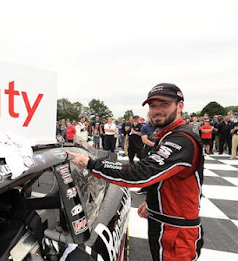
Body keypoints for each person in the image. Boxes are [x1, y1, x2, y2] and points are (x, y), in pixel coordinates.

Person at [66, 83, 204, 261]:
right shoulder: (168, 135)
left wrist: (91, 164)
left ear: (180, 106)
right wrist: (154, 201)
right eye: (153, 105)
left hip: (177, 232)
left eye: (164, 104)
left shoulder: (182, 139)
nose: (157, 110)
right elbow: (174, 178)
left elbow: (140, 173)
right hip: (166, 223)